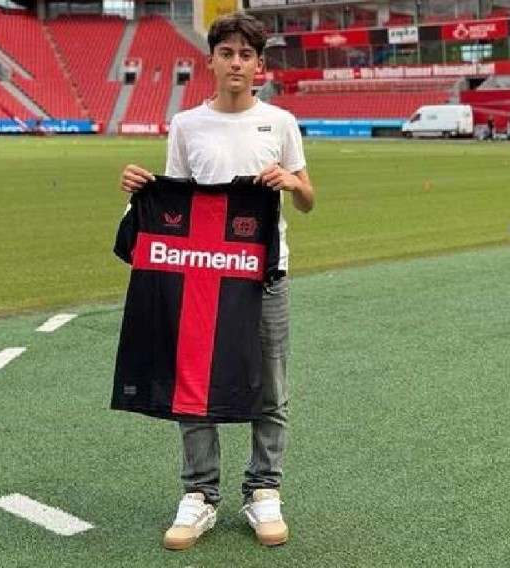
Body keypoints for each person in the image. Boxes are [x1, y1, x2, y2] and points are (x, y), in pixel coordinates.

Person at [119, 11, 314, 550]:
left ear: (260, 66)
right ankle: (199, 493)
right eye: (226, 53)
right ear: (210, 61)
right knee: (193, 383)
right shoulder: (186, 125)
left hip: (265, 276)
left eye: (246, 55)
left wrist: (291, 181)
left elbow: (308, 200)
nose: (236, 63)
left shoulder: (280, 122)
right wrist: (141, 188)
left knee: (271, 388)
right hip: (201, 276)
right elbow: (177, 203)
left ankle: (263, 489)